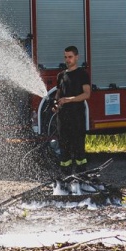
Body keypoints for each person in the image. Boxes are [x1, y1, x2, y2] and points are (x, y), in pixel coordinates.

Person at [54, 45, 91, 174]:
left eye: (70, 57)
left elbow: (87, 94)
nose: (67, 60)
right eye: (65, 57)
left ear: (77, 57)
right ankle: (66, 176)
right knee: (64, 149)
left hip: (77, 118)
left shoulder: (82, 74)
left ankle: (82, 176)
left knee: (78, 148)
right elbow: (58, 93)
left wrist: (69, 99)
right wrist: (56, 104)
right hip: (63, 119)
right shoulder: (61, 75)